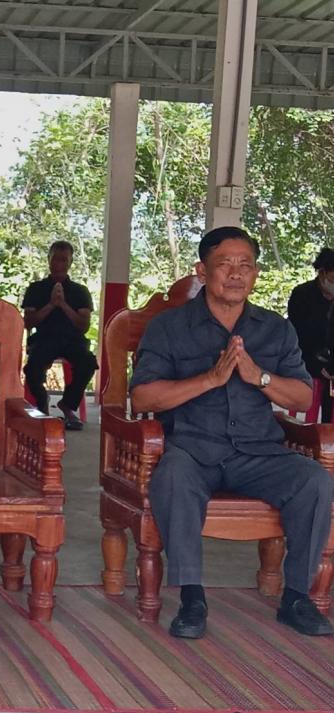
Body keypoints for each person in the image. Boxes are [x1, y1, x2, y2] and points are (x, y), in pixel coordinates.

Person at [131, 226, 333, 639]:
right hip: (193, 448)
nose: (236, 273)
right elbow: (142, 397)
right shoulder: (169, 327)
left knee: (314, 480)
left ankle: (297, 597)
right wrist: (209, 379)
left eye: (246, 265)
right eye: (225, 264)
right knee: (172, 477)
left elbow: (300, 397)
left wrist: (258, 376)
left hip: (258, 452)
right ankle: (192, 598)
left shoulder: (275, 329)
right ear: (202, 271)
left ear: (255, 274)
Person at [21, 240, 97, 430]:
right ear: (48, 259)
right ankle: (42, 401)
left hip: (73, 341)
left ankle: (68, 405)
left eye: (64, 260)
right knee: (32, 368)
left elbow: (83, 326)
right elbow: (28, 323)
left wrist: (63, 304)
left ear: (70, 263)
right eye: (56, 259)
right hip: (44, 339)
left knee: (88, 363)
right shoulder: (36, 288)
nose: (59, 264)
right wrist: (51, 304)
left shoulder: (80, 291)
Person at [287, 247, 334, 422]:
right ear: (322, 273)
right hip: (308, 368)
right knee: (307, 423)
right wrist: (317, 365)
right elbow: (296, 336)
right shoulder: (302, 295)